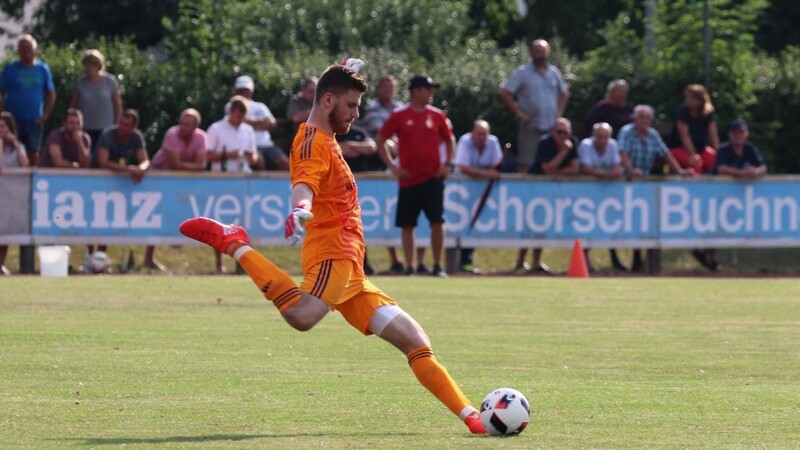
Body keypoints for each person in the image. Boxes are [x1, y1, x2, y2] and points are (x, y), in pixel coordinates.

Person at [179, 63, 486, 435]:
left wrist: (345, 68)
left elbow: (333, 94)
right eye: (352, 105)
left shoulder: (326, 135)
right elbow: (304, 185)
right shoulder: (310, 141)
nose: (356, 114)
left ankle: (472, 417)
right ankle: (235, 243)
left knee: (416, 342)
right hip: (333, 253)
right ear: (328, 101)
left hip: (353, 271)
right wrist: (299, 209)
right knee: (303, 316)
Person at [377, 75, 453, 278]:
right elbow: (381, 138)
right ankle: (410, 266)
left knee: (437, 221)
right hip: (408, 180)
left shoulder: (437, 115)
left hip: (433, 178)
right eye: (427, 89)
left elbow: (449, 139)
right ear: (415, 91)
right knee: (407, 224)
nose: (431, 93)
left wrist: (447, 164)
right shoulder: (400, 115)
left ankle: (437, 265)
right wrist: (392, 167)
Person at [618, 105, 691, 272]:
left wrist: (679, 171)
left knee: (645, 222)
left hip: (645, 186)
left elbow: (666, 154)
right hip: (626, 184)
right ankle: (626, 259)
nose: (644, 121)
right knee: (629, 222)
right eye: (641, 117)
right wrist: (630, 170)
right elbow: (622, 152)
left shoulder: (653, 135)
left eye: (647, 118)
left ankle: (642, 260)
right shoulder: (626, 132)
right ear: (634, 118)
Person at [689, 119, 767, 272]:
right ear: (729, 134)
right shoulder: (724, 150)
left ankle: (703, 253)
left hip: (740, 199)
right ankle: (709, 257)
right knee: (715, 226)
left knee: (723, 227)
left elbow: (762, 166)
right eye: (735, 132)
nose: (738, 135)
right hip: (718, 195)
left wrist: (756, 172)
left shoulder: (750, 149)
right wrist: (742, 173)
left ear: (746, 135)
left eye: (741, 132)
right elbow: (721, 168)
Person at [146, 108, 209, 271]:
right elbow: (176, 164)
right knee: (156, 217)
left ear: (195, 127)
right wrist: (193, 166)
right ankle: (148, 257)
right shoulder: (171, 135)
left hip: (181, 182)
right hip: (159, 179)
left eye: (187, 125)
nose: (182, 127)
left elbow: (201, 165)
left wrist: (189, 167)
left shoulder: (201, 137)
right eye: (181, 123)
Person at [516, 117, 580, 274]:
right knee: (529, 224)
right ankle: (520, 261)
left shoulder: (573, 142)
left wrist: (557, 171)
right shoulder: (545, 143)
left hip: (552, 190)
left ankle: (536, 262)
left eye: (566, 133)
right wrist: (564, 152)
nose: (563, 136)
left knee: (542, 224)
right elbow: (547, 169)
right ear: (553, 132)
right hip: (534, 188)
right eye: (559, 132)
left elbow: (574, 169)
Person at [500, 39, 569, 173]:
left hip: (551, 127)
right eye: (538, 52)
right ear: (531, 53)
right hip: (531, 126)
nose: (541, 55)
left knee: (551, 163)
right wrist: (519, 113)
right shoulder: (522, 72)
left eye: (543, 52)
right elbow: (505, 92)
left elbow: (564, 93)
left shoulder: (554, 72)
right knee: (526, 163)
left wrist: (559, 113)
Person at [207, 95, 258, 273]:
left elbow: (254, 155)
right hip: (221, 179)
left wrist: (252, 157)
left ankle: (240, 262)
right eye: (237, 115)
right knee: (219, 221)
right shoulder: (216, 129)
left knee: (241, 223)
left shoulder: (248, 130)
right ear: (231, 112)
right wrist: (228, 155)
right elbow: (207, 155)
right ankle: (218, 263)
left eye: (243, 116)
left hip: (242, 180)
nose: (240, 119)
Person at [362, 74, 404, 272]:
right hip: (375, 167)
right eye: (385, 86)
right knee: (366, 218)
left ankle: (396, 261)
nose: (388, 90)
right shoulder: (372, 107)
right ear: (378, 88)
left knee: (390, 217)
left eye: (391, 86)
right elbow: (380, 132)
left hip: (395, 171)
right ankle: (363, 261)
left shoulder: (400, 108)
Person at [454, 119, 502, 274]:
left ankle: (468, 261)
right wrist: (486, 173)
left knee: (475, 225)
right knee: (461, 224)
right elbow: (463, 167)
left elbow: (498, 165)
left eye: (485, 134)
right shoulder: (465, 142)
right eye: (479, 134)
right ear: (472, 133)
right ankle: (460, 261)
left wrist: (486, 172)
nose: (482, 137)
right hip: (461, 193)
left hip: (482, 192)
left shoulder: (493, 142)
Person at [0, 34, 56, 167]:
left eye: (29, 47)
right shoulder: (10, 69)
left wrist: (46, 115)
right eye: (23, 48)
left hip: (34, 120)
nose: (26, 51)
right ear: (18, 51)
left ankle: (32, 183)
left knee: (33, 153)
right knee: (10, 150)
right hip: (13, 121)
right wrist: (3, 113)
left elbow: (51, 93)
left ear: (34, 49)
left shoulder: (42, 69)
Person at [578, 122, 624, 272]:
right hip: (585, 195)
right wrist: (608, 175)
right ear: (593, 136)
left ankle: (615, 260)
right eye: (599, 137)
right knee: (586, 228)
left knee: (609, 226)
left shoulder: (612, 145)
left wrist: (604, 174)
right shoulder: (586, 145)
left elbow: (617, 169)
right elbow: (586, 169)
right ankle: (584, 262)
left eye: (605, 137)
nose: (602, 141)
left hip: (606, 195)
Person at [336, 122, 378, 274]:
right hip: (337, 186)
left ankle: (361, 264)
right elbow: (336, 151)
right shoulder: (331, 131)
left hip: (357, 186)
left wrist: (350, 146)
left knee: (356, 226)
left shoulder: (359, 132)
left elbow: (371, 147)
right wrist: (356, 149)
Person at [226, 75, 288, 171]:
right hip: (248, 147)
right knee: (259, 162)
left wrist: (250, 122)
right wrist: (260, 122)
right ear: (236, 91)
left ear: (252, 90)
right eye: (241, 90)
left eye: (247, 90)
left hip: (267, 144)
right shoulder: (230, 106)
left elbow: (272, 123)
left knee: (284, 162)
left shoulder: (260, 106)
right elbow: (239, 121)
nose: (244, 92)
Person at [69, 49, 121, 154]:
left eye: (89, 65)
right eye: (85, 65)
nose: (86, 68)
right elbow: (73, 106)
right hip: (85, 128)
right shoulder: (80, 82)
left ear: (97, 66)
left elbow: (117, 105)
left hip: (106, 128)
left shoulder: (110, 81)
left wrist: (117, 125)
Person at [0, 111, 29, 275]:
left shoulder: (19, 147)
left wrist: (15, 144)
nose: (0, 130)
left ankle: (0, 264)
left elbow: (25, 164)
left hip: (10, 197)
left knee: (5, 233)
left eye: (3, 127)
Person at [667, 84, 719, 174]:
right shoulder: (682, 112)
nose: (688, 101)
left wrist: (720, 154)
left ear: (701, 100)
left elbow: (713, 135)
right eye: (687, 97)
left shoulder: (708, 114)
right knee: (696, 163)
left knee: (716, 161)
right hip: (679, 148)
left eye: (692, 98)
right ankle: (697, 188)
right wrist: (693, 154)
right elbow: (684, 136)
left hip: (701, 149)